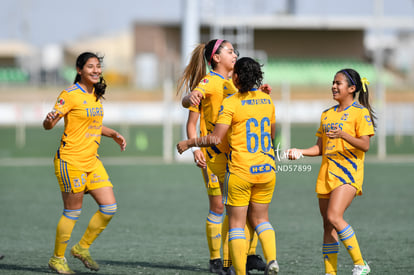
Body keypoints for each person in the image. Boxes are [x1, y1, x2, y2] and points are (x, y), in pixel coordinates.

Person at [177, 57, 279, 275]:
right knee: (256, 217)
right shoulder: (267, 100)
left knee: (234, 222)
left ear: (236, 76)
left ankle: (234, 266)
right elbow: (271, 136)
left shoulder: (231, 101)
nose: (233, 54)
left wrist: (190, 144)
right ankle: (266, 260)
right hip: (266, 167)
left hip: (239, 167)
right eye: (230, 50)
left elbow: (215, 138)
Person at [43, 52, 126, 274]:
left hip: (92, 161)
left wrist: (113, 134)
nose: (96, 70)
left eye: (98, 66)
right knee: (73, 211)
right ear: (79, 70)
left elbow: (93, 124)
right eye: (91, 67)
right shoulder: (69, 94)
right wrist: (49, 120)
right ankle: (57, 259)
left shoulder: (95, 94)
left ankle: (81, 248)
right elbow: (49, 124)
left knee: (109, 207)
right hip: (70, 161)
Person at [287, 68, 375, 275]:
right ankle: (330, 272)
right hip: (326, 174)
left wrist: (344, 134)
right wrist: (300, 151)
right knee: (328, 225)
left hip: (348, 174)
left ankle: (361, 264)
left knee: (335, 216)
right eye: (333, 83)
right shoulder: (326, 114)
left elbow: (365, 145)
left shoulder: (360, 113)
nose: (334, 86)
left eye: (339, 83)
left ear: (352, 88)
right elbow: (320, 147)